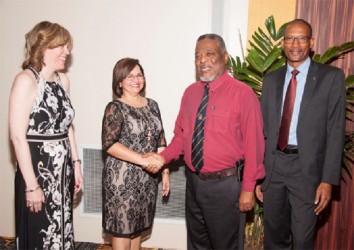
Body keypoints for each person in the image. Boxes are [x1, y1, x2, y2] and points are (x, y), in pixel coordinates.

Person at [146, 34, 265, 249]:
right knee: (197, 244)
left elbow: (254, 145)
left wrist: (248, 188)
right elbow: (181, 138)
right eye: (198, 56)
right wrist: (161, 158)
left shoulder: (243, 94)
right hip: (193, 183)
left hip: (226, 186)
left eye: (209, 54)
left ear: (225, 57)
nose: (203, 60)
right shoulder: (190, 93)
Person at [256, 19, 346, 249]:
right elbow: (262, 131)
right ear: (283, 43)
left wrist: (327, 180)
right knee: (274, 238)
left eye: (302, 38)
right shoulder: (271, 80)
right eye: (289, 38)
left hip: (306, 171)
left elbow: (336, 131)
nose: (295, 44)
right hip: (274, 167)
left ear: (311, 42)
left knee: (303, 239)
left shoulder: (331, 78)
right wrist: (258, 174)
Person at [9, 21, 83, 249]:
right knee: (41, 234)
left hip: (63, 173)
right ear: (43, 47)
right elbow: (18, 137)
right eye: (61, 46)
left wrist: (76, 164)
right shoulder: (25, 80)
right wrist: (31, 186)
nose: (67, 52)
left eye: (67, 47)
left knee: (62, 230)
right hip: (38, 173)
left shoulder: (63, 81)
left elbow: (68, 127)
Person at [101, 57, 170, 250]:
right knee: (122, 230)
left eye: (139, 75)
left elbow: (161, 140)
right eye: (129, 76)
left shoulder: (153, 105)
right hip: (121, 180)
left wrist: (165, 172)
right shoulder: (115, 107)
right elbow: (109, 144)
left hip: (147, 179)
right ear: (119, 81)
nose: (136, 79)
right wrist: (142, 160)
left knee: (137, 227)